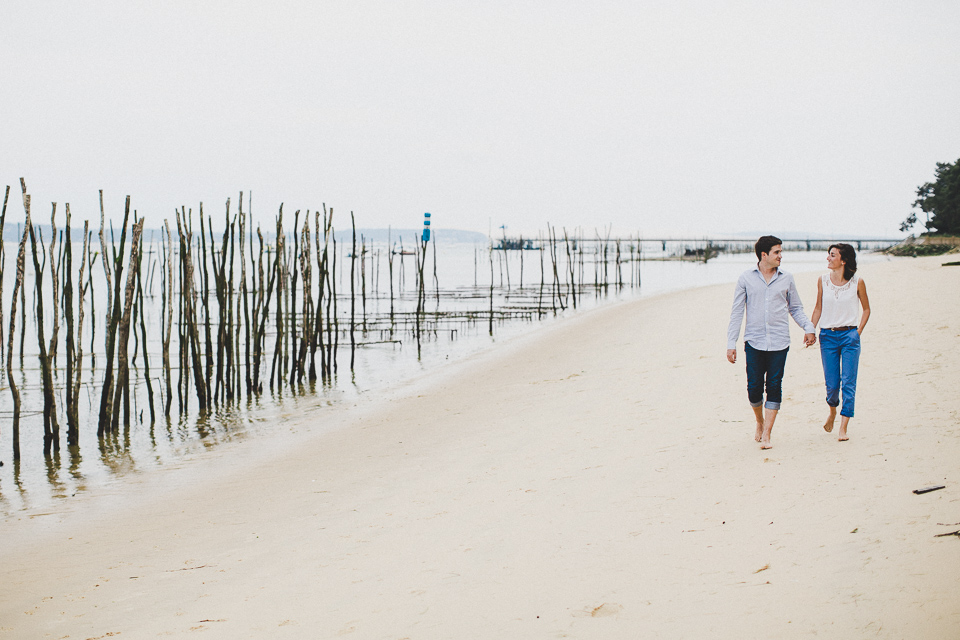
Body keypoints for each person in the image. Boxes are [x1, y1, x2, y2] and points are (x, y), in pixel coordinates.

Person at [727, 236, 816, 449]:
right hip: (754, 341)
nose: (780, 256)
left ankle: (767, 433)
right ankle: (759, 421)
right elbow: (737, 311)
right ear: (764, 255)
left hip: (780, 342)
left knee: (775, 386)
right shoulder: (746, 278)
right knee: (754, 388)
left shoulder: (787, 278)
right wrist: (731, 342)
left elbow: (795, 308)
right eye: (777, 252)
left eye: (780, 252)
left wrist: (809, 327)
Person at [810, 243, 871, 441]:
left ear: (843, 260)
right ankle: (832, 410)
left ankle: (843, 427)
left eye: (832, 255)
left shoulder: (857, 282)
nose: (828, 258)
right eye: (829, 255)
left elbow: (867, 309)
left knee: (849, 383)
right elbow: (818, 308)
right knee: (832, 384)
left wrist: (858, 332)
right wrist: (810, 329)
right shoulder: (822, 280)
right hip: (827, 337)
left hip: (849, 337)